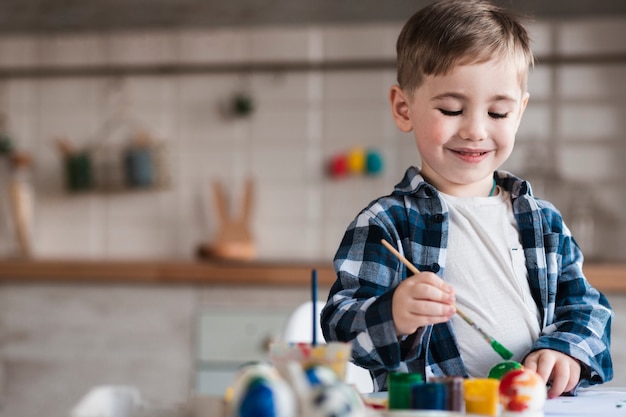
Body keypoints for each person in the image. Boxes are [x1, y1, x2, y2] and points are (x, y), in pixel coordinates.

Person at [320, 0, 613, 399]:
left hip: (527, 406)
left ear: (519, 112)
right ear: (404, 108)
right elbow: (340, 328)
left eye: (497, 113)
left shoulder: (543, 220)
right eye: (451, 109)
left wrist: (566, 351)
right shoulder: (386, 222)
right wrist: (393, 314)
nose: (476, 130)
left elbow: (587, 310)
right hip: (431, 408)